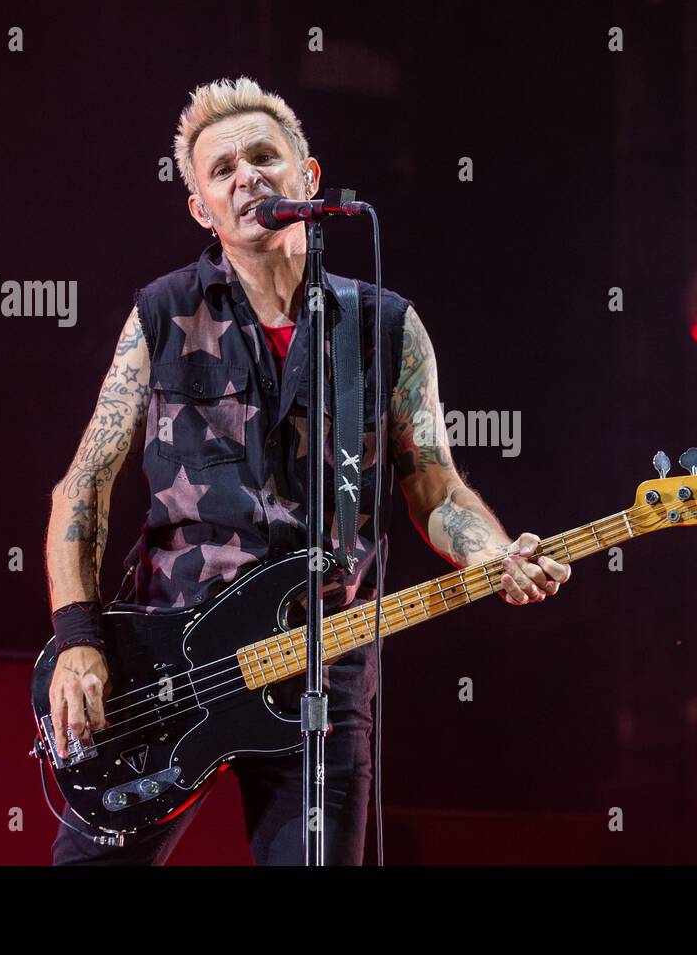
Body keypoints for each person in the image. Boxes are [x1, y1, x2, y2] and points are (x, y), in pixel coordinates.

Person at [42, 76, 571, 865]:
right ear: (202, 209)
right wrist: (79, 639)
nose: (246, 176)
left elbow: (435, 483)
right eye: (222, 170)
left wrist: (492, 555)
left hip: (322, 662)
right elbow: (80, 488)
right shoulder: (162, 312)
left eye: (264, 157)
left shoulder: (384, 326)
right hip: (168, 663)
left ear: (309, 179)